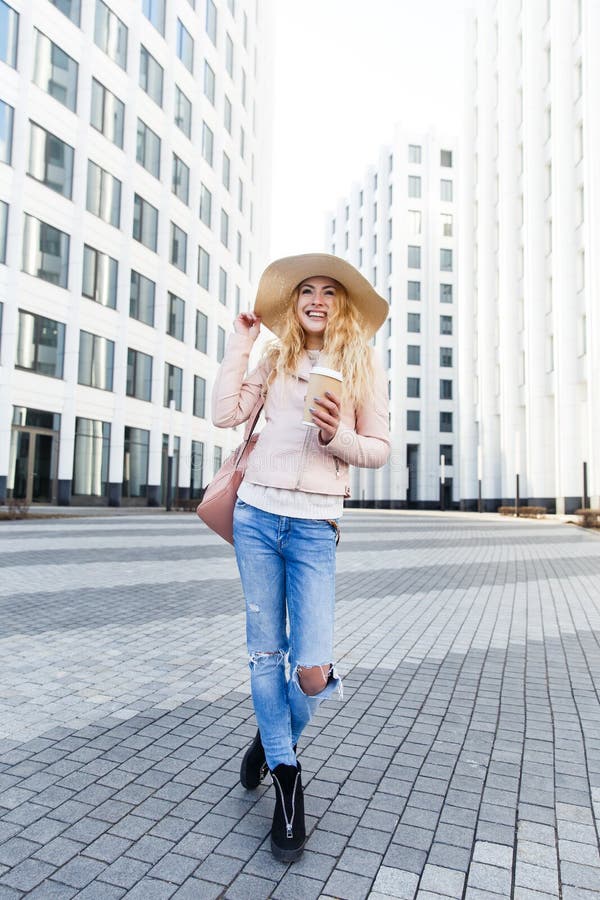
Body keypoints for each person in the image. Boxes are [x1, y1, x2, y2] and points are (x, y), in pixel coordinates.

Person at [212, 253, 390, 861]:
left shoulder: (362, 368)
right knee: (266, 650)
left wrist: (336, 434)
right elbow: (224, 414)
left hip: (315, 527)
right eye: (306, 291)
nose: (316, 299)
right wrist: (241, 340)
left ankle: (270, 734)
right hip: (257, 516)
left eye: (329, 292)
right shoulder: (274, 358)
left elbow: (380, 449)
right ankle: (287, 779)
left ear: (342, 306)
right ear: (295, 303)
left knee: (312, 667)